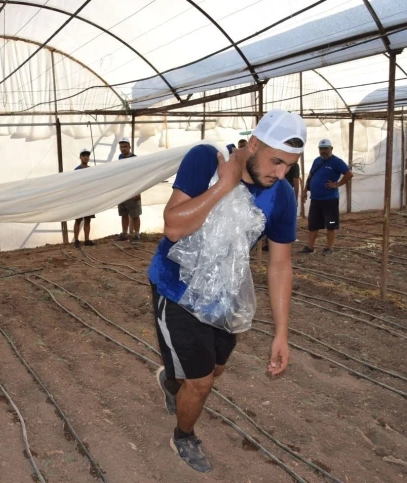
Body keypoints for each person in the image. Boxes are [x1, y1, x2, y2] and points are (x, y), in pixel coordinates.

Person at [148, 109, 304, 473]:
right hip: (177, 289)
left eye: (289, 166)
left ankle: (170, 380)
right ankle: (183, 436)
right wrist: (225, 184)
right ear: (253, 145)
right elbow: (173, 227)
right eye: (276, 161)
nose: (280, 174)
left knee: (214, 369)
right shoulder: (207, 159)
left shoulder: (281, 194)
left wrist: (282, 334)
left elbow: (280, 264)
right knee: (200, 381)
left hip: (224, 294)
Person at [300, 139, 353, 254]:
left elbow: (349, 174)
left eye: (326, 148)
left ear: (331, 149)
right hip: (315, 199)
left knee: (331, 224)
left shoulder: (337, 162)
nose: (323, 151)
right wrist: (305, 190)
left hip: (330, 200)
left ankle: (329, 248)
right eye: (321, 149)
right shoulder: (317, 161)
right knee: (313, 224)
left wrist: (337, 184)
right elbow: (310, 177)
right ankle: (310, 247)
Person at [262, 159, 300, 251]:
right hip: (273, 194)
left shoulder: (295, 166)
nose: (281, 174)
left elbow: (296, 181)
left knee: (279, 221)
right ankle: (269, 242)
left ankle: (274, 242)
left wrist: (295, 197)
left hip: (283, 195)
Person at [116, 137, 142, 243]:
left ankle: (136, 235)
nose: (123, 148)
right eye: (121, 147)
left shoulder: (135, 159)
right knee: (124, 214)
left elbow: (139, 175)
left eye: (125, 146)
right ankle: (124, 233)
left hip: (133, 190)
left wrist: (138, 191)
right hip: (123, 190)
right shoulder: (120, 158)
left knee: (135, 214)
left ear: (129, 147)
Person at [73, 149, 96, 248]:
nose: (86, 157)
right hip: (79, 199)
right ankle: (76, 240)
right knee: (78, 220)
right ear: (80, 157)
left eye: (87, 155)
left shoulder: (92, 170)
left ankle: (86, 239)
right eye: (84, 155)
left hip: (89, 198)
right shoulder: (76, 170)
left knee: (88, 220)